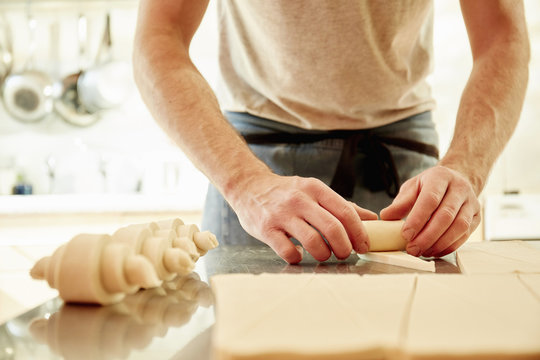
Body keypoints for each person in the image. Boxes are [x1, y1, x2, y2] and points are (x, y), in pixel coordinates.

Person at [133, 0, 530, 264]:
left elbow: (502, 37)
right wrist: (245, 184)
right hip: (254, 167)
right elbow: (159, 38)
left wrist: (468, 169)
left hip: (404, 172)